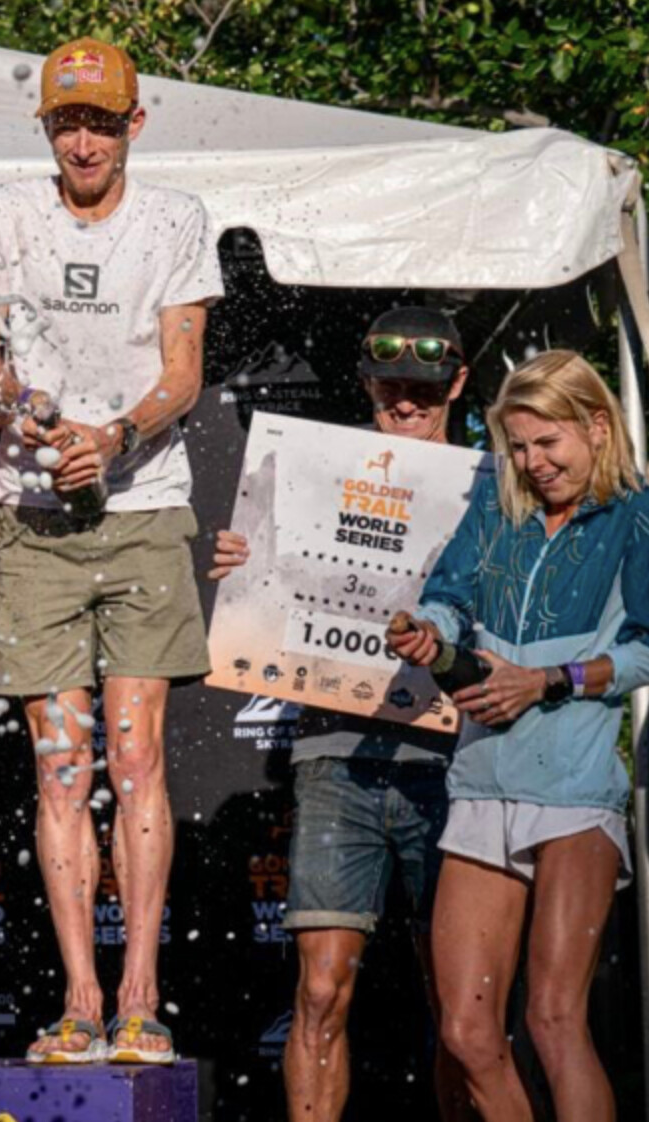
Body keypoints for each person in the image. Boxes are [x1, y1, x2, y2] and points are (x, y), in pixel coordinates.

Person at [0, 36, 223, 1064]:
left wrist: (112, 438)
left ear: (133, 124)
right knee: (61, 767)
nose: (84, 142)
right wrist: (31, 408)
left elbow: (183, 372)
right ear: (46, 129)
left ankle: (142, 998)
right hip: (32, 518)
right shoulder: (4, 213)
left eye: (101, 123)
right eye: (67, 123)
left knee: (136, 755)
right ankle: (78, 999)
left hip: (142, 506)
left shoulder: (176, 219)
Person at [208, 307, 472, 1121]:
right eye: (391, 387)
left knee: (459, 1006)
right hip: (335, 756)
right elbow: (266, 595)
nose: (407, 401)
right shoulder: (313, 477)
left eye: (425, 389)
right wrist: (246, 560)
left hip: (454, 764)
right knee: (320, 991)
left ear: (458, 383)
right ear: (365, 384)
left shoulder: (493, 486)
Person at [387, 349, 646, 1122]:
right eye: (520, 446)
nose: (533, 463)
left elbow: (645, 649)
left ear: (596, 426)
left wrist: (550, 679)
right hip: (482, 782)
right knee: (467, 1033)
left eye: (547, 442)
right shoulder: (496, 508)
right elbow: (447, 599)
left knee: (555, 1019)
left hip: (574, 789)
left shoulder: (635, 515)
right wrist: (425, 632)